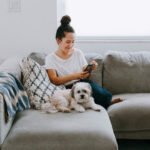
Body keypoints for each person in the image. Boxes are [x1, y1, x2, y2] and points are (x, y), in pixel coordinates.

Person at [45, 15, 122, 109]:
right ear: (58, 41)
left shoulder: (78, 53)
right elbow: (55, 80)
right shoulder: (50, 58)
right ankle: (100, 103)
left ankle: (105, 102)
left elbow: (86, 74)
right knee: (78, 96)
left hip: (82, 83)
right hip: (68, 88)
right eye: (68, 42)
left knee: (104, 95)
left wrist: (91, 68)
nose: (71, 45)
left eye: (73, 42)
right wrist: (75, 75)